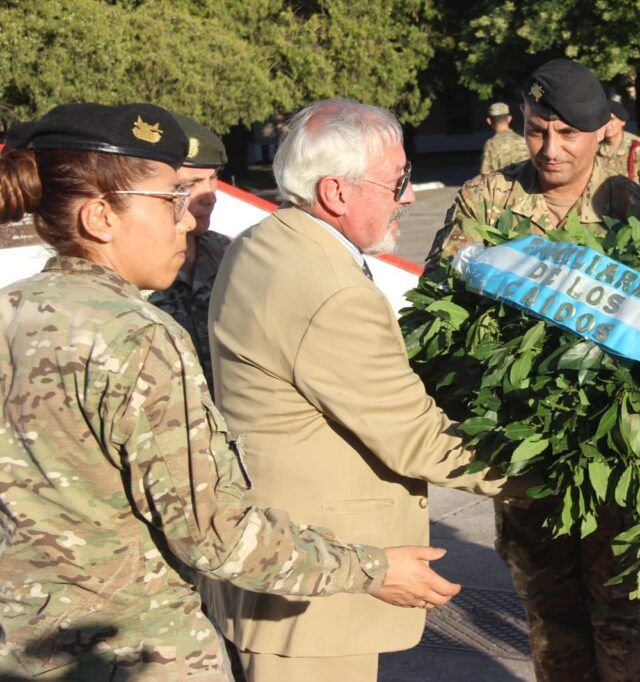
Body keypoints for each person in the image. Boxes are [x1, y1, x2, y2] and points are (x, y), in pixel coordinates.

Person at [0, 103, 456, 680]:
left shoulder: (13, 308)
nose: (188, 221)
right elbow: (217, 535)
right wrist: (374, 570)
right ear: (100, 218)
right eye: (169, 201)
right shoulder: (135, 337)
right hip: (135, 652)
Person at [202, 98, 534, 681]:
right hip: (314, 589)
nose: (408, 196)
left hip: (286, 560)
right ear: (335, 192)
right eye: (397, 180)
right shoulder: (330, 290)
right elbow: (417, 440)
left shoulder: (265, 241)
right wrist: (555, 477)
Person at [428, 58, 640, 682]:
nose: (550, 149)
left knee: (623, 617)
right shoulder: (489, 196)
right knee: (550, 618)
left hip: (615, 453)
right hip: (525, 455)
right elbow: (445, 304)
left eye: (567, 134)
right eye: (537, 130)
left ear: (600, 134)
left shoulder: (628, 204)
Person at [148, 112, 230, 394]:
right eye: (192, 183)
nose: (210, 195)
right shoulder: (136, 268)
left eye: (213, 178)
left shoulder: (230, 254)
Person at [597, 95, 640, 209]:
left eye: (612, 119)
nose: (607, 125)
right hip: (602, 212)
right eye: (603, 120)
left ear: (623, 121)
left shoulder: (637, 148)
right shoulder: (595, 147)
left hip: (633, 213)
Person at [480, 101, 529, 174]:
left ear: (489, 121)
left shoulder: (491, 144)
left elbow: (485, 174)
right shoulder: (524, 140)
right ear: (509, 118)